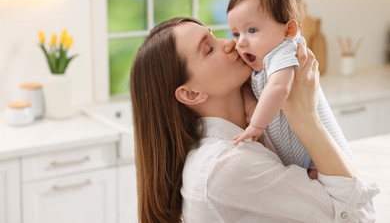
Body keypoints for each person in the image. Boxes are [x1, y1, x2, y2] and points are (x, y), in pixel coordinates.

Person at [130, 17, 379, 222]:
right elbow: (359, 218)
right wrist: (307, 119)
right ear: (191, 93)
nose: (229, 43)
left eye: (215, 35)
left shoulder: (254, 127)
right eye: (209, 49)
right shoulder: (227, 166)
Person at [227, 0, 354, 171]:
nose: (241, 42)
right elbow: (247, 87)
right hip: (303, 157)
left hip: (318, 155)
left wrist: (256, 127)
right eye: (236, 33)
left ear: (288, 30)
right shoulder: (261, 60)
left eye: (252, 30)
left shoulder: (284, 51)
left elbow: (279, 88)